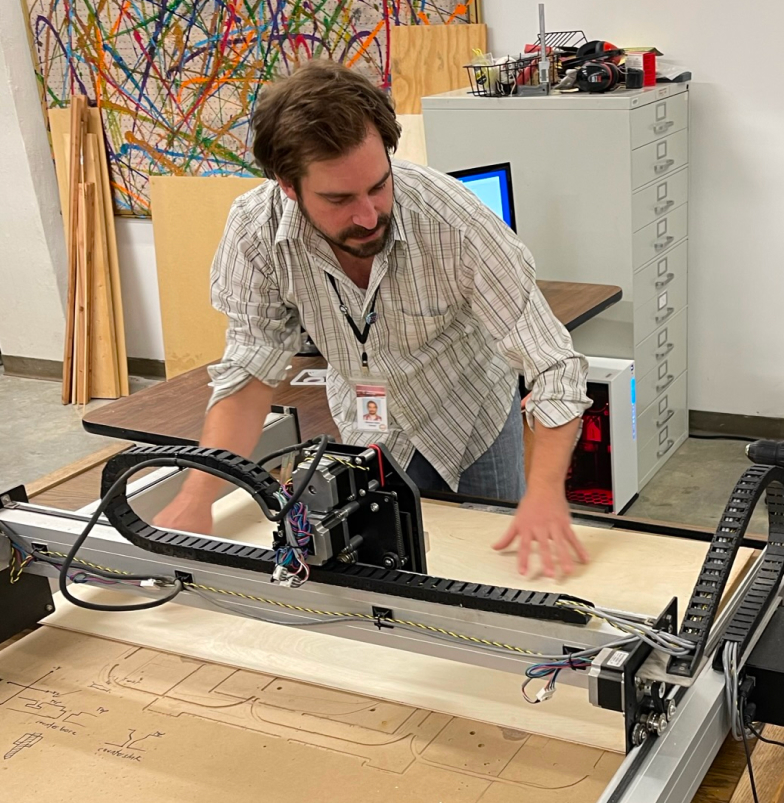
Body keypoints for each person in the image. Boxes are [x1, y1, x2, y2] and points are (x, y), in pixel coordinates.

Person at [154, 60, 592, 578]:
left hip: (469, 416)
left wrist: (543, 494)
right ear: (287, 186)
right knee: (383, 568)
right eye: (338, 199)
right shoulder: (255, 232)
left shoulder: (455, 224)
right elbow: (251, 371)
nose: (367, 215)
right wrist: (198, 495)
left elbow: (555, 369)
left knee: (487, 571)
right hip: (367, 423)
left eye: (379, 186)